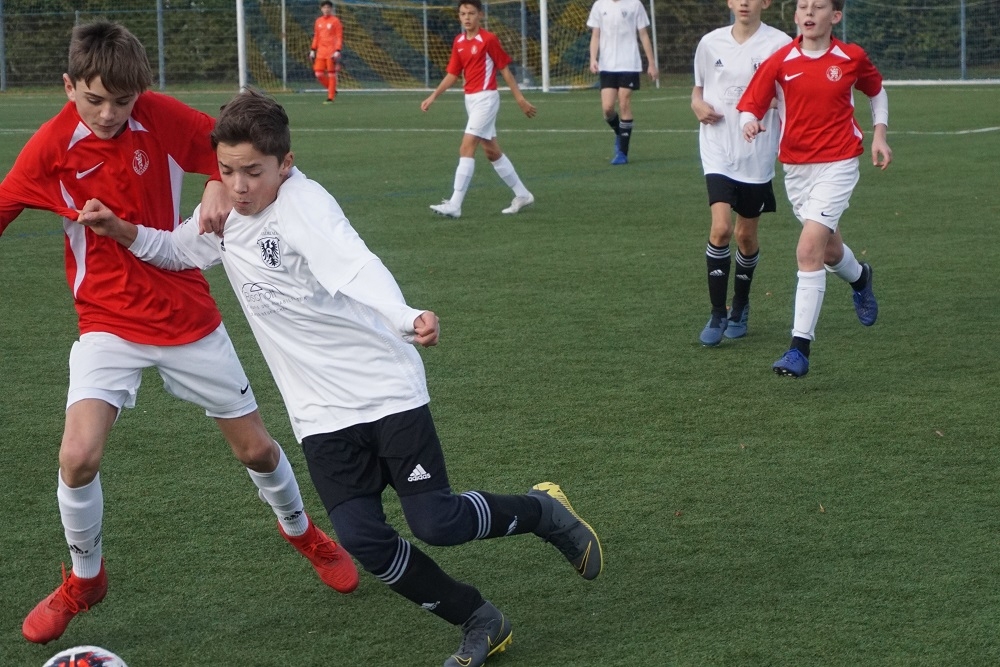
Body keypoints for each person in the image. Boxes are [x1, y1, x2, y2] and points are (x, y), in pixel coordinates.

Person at [78, 89, 604, 667]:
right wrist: (120, 228)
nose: (239, 186)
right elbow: (175, 250)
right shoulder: (225, 215)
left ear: (286, 163)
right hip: (319, 413)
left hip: (382, 389)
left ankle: (542, 510)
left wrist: (406, 316)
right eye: (226, 171)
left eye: (253, 172)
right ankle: (479, 619)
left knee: (437, 522)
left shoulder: (304, 207)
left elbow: (356, 266)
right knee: (362, 538)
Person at [0, 22, 358, 645]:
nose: (109, 114)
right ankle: (85, 579)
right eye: (94, 100)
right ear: (68, 86)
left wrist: (215, 180)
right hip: (106, 321)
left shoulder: (158, 115)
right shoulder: (49, 150)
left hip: (185, 313)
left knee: (257, 451)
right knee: (77, 457)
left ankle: (303, 532)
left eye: (123, 101)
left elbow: (226, 151)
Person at [738, 0, 890, 377]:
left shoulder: (851, 57)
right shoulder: (780, 61)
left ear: (834, 16)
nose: (808, 12)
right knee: (830, 250)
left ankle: (799, 348)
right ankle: (861, 277)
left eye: (818, 6)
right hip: (796, 170)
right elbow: (751, 104)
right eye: (802, 6)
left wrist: (879, 135)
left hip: (839, 163)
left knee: (808, 250)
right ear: (795, 16)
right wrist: (749, 122)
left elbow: (876, 91)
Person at [691, 0, 791, 346]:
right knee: (721, 229)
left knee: (745, 236)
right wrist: (696, 104)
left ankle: (741, 305)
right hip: (717, 147)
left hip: (756, 153)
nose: (745, 2)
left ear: (766, 2)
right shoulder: (710, 43)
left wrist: (768, 103)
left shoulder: (780, 44)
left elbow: (789, 95)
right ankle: (717, 312)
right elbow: (699, 89)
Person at [421, 0, 536, 219]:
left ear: (480, 15)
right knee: (492, 152)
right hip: (470, 100)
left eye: (471, 13)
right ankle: (523, 194)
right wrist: (433, 96)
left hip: (486, 99)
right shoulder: (459, 41)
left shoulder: (488, 39)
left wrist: (520, 99)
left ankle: (455, 204)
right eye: (463, 13)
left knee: (466, 146)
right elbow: (453, 74)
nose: (467, 17)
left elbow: (505, 70)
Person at [587, 0, 659, 165]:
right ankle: (620, 133)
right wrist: (593, 58)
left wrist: (651, 63)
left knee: (624, 102)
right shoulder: (599, 5)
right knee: (607, 109)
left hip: (629, 64)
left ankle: (622, 153)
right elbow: (596, 35)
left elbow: (643, 35)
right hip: (607, 65)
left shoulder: (635, 4)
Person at [310, 0, 344, 104]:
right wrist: (313, 49)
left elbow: (339, 36)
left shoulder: (335, 21)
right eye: (324, 7)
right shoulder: (318, 21)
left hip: (331, 52)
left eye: (328, 7)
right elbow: (316, 36)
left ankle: (330, 97)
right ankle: (332, 89)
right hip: (320, 52)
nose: (326, 9)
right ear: (321, 9)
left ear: (331, 9)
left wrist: (337, 50)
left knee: (331, 74)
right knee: (318, 74)